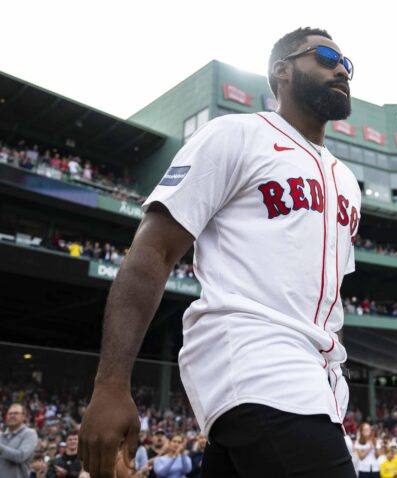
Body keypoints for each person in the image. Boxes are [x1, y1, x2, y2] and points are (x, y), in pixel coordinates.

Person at [79, 26, 361, 478]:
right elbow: (154, 250)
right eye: (326, 57)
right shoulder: (235, 135)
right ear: (282, 71)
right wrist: (111, 384)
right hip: (255, 357)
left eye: (346, 64)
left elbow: (331, 298)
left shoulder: (347, 182)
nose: (341, 70)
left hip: (317, 380)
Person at [1, 403, 38, 478]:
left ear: (23, 416)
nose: (12, 415)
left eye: (16, 413)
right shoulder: (1, 436)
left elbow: (20, 456)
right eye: (10, 413)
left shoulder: (29, 433)